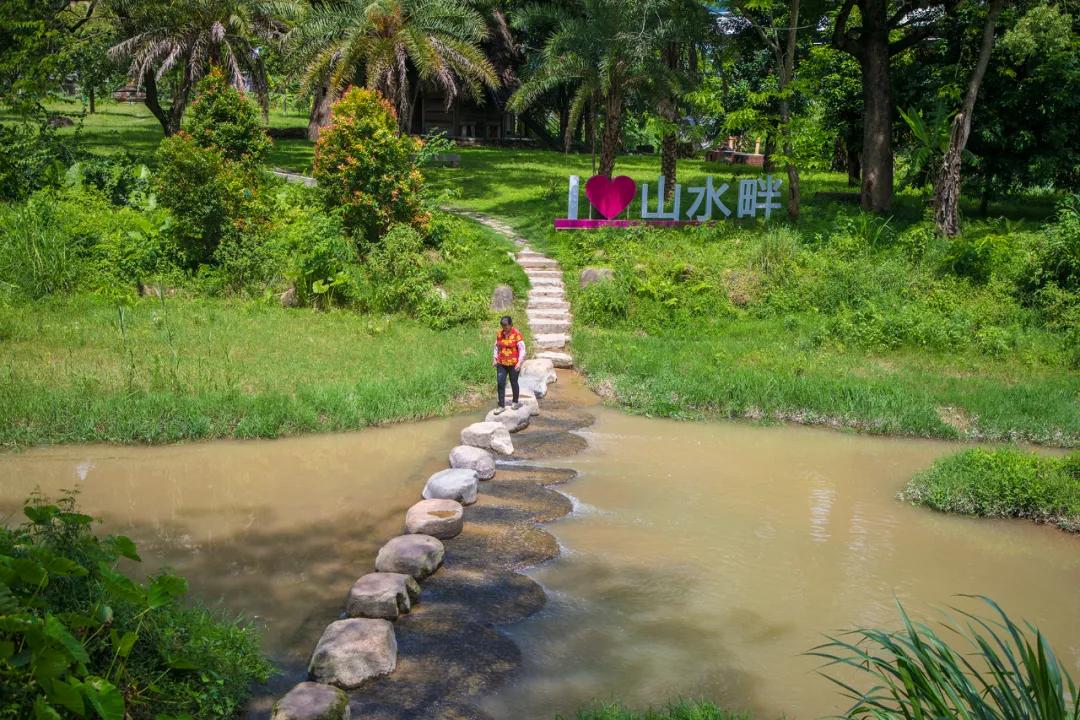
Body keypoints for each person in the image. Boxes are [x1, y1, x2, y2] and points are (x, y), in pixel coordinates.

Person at [492, 315, 525, 414]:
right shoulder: (499, 334)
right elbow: (496, 347)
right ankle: (501, 405)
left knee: (513, 382)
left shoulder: (517, 334)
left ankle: (515, 402)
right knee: (500, 382)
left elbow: (522, 349)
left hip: (514, 363)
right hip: (501, 363)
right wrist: (494, 358)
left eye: (506, 325)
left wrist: (519, 362)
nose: (504, 328)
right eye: (502, 325)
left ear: (510, 325)